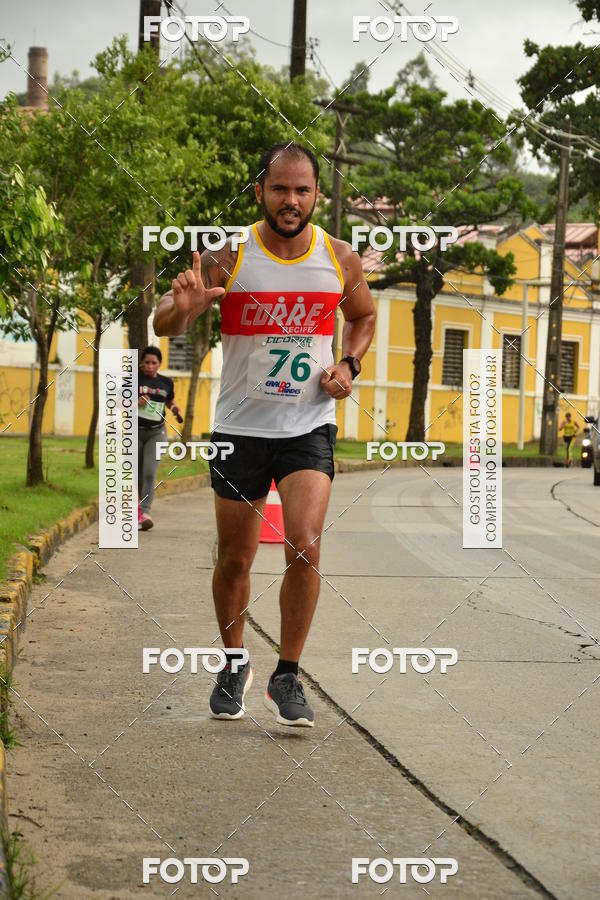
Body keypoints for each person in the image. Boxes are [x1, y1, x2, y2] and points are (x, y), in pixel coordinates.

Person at [154, 142, 376, 727]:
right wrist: (185, 308)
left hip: (308, 425)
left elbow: (363, 316)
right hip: (239, 429)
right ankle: (234, 663)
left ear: (317, 195)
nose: (291, 200)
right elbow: (164, 320)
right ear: (260, 192)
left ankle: (287, 675)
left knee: (305, 544)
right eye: (280, 188)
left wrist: (348, 364)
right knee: (235, 557)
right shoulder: (228, 256)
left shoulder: (340, 258)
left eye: (302, 190)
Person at [137, 345, 182, 530]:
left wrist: (175, 409)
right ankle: (136, 511)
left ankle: (145, 512)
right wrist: (136, 402)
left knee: (149, 472)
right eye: (146, 362)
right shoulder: (133, 379)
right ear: (141, 363)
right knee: (136, 474)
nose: (150, 366)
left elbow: (169, 400)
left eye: (154, 363)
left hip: (157, 432)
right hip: (135, 432)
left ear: (159, 364)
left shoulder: (166, 382)